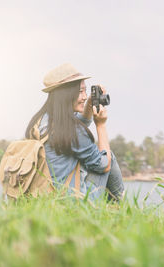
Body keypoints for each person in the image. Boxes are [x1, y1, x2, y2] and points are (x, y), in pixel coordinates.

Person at [25, 63, 124, 201]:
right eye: (80, 92)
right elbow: (105, 165)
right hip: (74, 201)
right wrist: (101, 126)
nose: (84, 96)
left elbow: (78, 127)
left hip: (48, 196)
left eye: (85, 91)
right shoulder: (71, 129)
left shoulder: (40, 121)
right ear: (66, 94)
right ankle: (122, 208)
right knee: (109, 157)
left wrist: (89, 104)